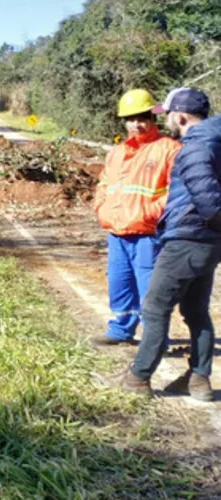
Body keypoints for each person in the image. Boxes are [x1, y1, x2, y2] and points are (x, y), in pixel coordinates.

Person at [98, 87, 221, 401]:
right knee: (195, 310)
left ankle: (138, 378)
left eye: (166, 115)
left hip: (187, 239)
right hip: (206, 241)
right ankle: (199, 380)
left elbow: (208, 199)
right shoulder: (211, 141)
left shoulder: (191, 148)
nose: (165, 120)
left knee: (154, 308)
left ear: (179, 116)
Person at [91, 89, 181, 346]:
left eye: (142, 117)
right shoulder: (117, 152)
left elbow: (177, 192)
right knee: (120, 285)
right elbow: (104, 184)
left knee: (150, 289)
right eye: (130, 119)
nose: (136, 124)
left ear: (153, 118)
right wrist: (101, 207)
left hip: (148, 234)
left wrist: (150, 215)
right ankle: (121, 329)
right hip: (117, 232)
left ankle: (154, 339)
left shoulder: (169, 149)